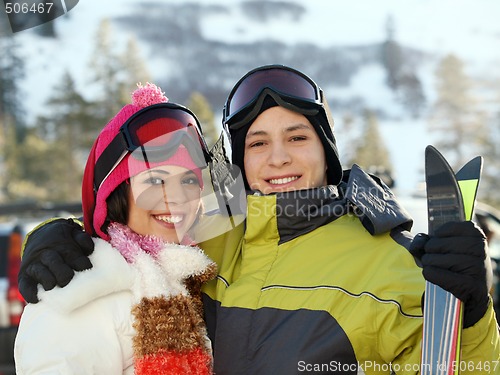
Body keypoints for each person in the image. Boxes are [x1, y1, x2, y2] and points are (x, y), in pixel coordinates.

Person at [18, 66, 500, 374]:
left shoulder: (392, 264)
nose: (277, 159)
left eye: (296, 137)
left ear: (325, 151)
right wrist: (60, 236)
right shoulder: (206, 242)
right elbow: (131, 224)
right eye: (257, 143)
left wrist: (473, 318)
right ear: (239, 164)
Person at [14, 83, 217, 375]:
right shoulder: (80, 288)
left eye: (187, 181)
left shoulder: (192, 275)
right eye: (155, 181)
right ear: (116, 195)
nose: (177, 199)